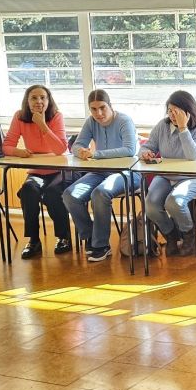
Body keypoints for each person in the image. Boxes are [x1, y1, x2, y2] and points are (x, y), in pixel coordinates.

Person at [62, 89, 139, 262]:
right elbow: (76, 145)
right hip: (99, 172)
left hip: (127, 173)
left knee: (100, 193)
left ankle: (101, 245)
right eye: (94, 109)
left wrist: (96, 154)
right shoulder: (91, 122)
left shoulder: (124, 120)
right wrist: (80, 151)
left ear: (110, 106)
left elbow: (129, 150)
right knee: (70, 195)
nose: (99, 113)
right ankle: (91, 236)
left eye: (102, 108)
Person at [2, 85, 74, 259]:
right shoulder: (19, 117)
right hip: (36, 171)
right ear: (27, 101)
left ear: (49, 100)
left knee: (52, 193)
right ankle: (34, 240)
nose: (39, 101)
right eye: (34, 98)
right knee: (28, 190)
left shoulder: (56, 116)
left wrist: (42, 125)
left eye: (43, 97)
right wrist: (18, 152)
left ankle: (64, 237)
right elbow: (7, 145)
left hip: (59, 171)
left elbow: (60, 149)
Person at [140, 90, 196, 256]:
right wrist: (145, 152)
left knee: (174, 201)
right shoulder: (162, 126)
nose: (172, 115)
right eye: (169, 110)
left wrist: (183, 128)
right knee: (151, 205)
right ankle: (171, 235)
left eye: (176, 111)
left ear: (188, 111)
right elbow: (148, 146)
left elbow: (193, 155)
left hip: (192, 177)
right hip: (165, 175)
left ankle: (189, 234)